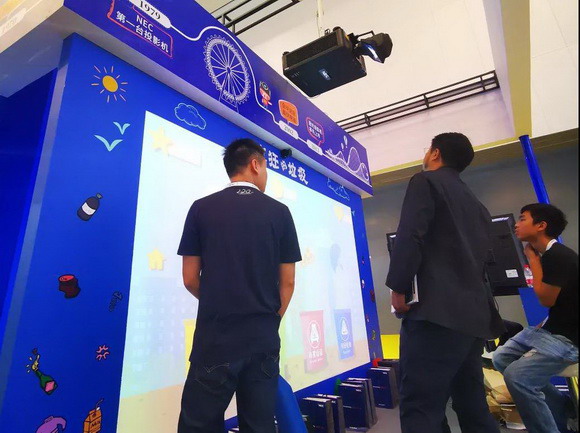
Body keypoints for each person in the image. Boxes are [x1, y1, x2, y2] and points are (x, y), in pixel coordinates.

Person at [177, 138, 302, 433]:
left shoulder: (201, 208)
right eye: (266, 167)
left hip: (216, 338)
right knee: (259, 425)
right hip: (262, 338)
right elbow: (288, 281)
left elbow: (190, 278)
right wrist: (269, 319)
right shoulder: (280, 212)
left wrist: (217, 303)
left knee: (198, 426)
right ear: (255, 165)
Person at [387, 132, 505, 433]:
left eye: (428, 149)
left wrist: (398, 288)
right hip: (474, 318)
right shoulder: (477, 206)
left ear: (435, 153)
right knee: (471, 404)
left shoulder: (425, 182)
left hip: (435, 315)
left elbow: (410, 237)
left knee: (420, 406)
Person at [492, 204, 578, 433]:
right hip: (550, 330)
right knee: (501, 358)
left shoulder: (558, 256)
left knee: (517, 377)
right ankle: (561, 406)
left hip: (569, 339)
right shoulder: (550, 255)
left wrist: (532, 258)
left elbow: (545, 299)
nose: (516, 224)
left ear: (541, 225)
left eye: (523, 219)